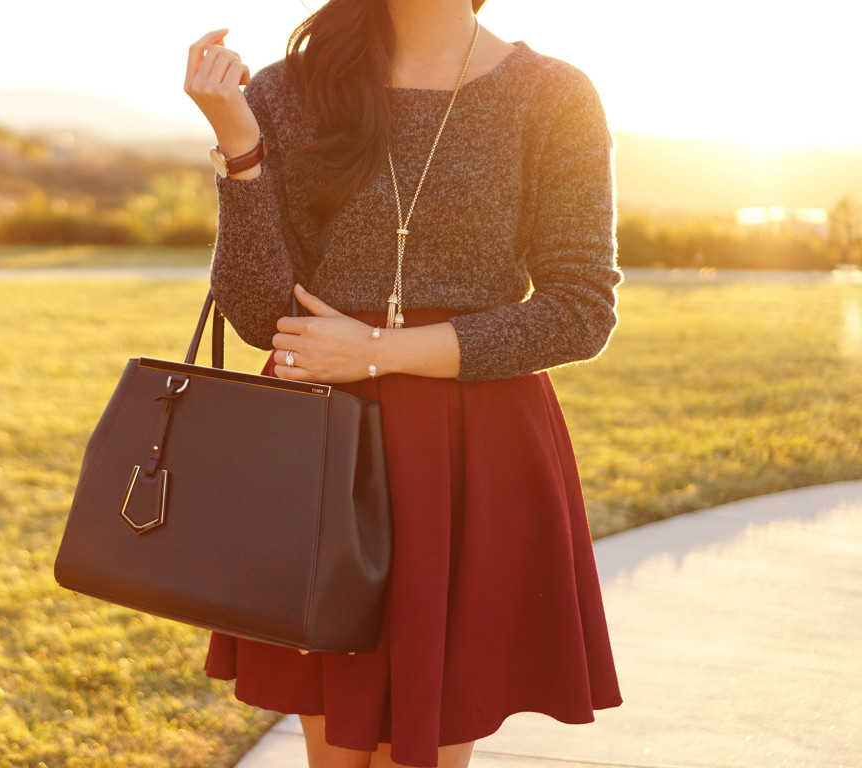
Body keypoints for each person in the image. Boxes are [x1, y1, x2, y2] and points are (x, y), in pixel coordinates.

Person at [184, 0, 623, 765]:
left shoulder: (553, 94)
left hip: (469, 451)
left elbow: (581, 311)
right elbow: (258, 314)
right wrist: (238, 144)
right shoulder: (289, 89)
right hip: (321, 436)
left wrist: (379, 350)